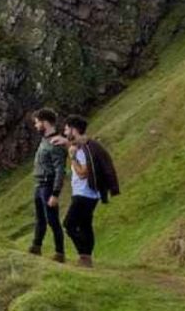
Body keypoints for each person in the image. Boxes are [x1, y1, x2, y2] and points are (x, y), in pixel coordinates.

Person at [55, 115, 119, 268]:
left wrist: (72, 158)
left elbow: (83, 172)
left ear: (73, 129)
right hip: (89, 194)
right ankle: (86, 259)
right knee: (85, 226)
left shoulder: (82, 150)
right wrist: (67, 144)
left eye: (66, 129)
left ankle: (83, 255)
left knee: (69, 224)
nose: (64, 132)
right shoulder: (84, 145)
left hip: (84, 193)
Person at [26, 108, 67, 262]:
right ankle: (36, 246)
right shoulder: (45, 139)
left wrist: (55, 193)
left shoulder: (56, 142)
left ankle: (60, 253)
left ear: (45, 122)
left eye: (37, 122)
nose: (36, 126)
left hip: (48, 184)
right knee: (40, 218)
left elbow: (59, 170)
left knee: (52, 220)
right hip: (39, 184)